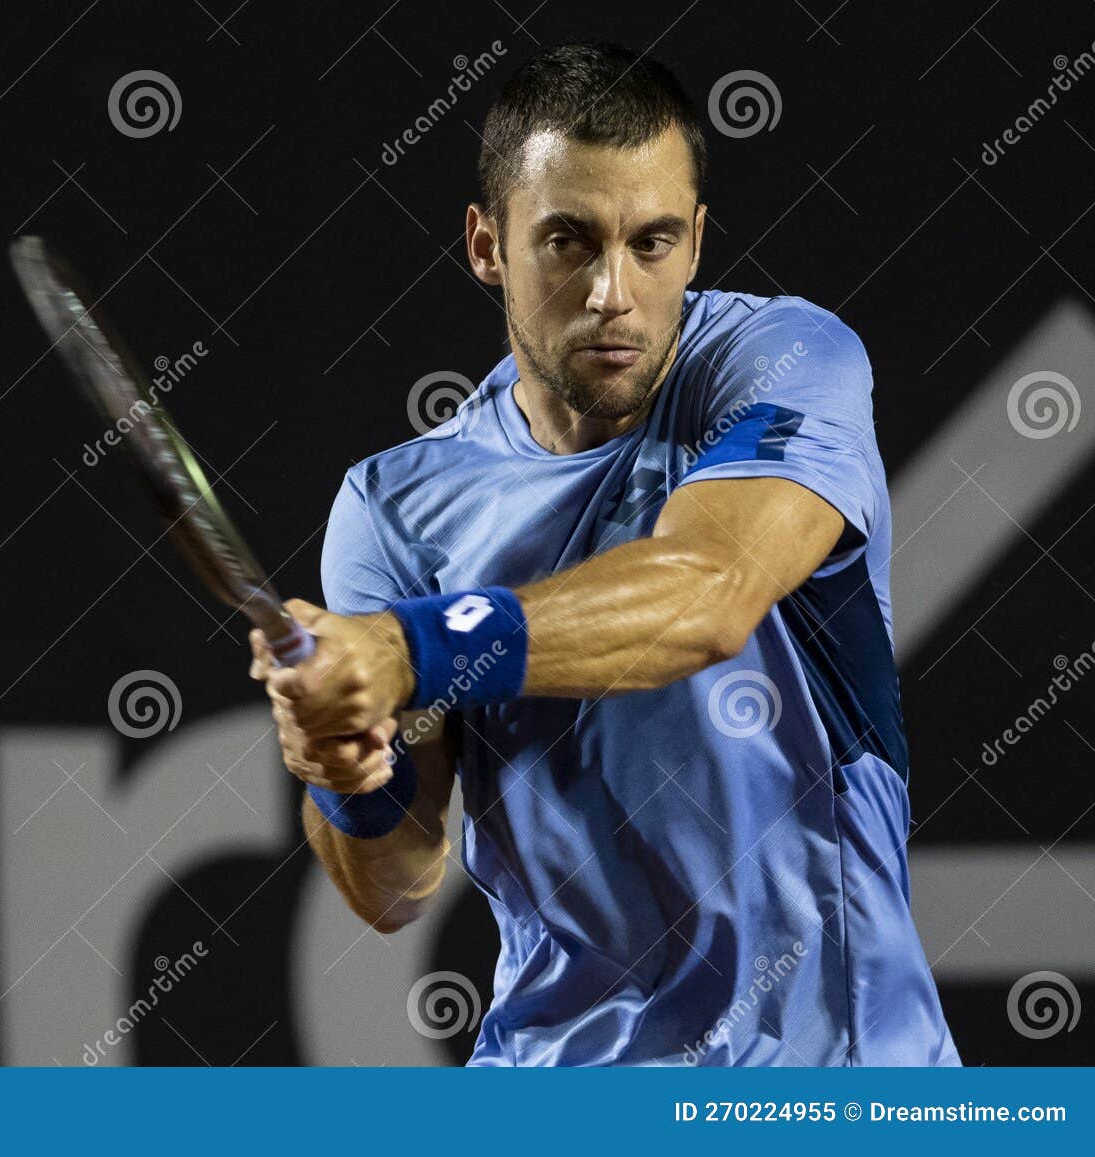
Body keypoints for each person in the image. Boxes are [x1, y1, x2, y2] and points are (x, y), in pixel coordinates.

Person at [249, 42, 959, 1067]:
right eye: (567, 243)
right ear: (487, 245)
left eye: (653, 242)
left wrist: (407, 650)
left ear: (698, 242)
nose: (612, 293)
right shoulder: (393, 504)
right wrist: (345, 775)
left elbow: (705, 595)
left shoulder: (785, 361)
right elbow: (396, 883)